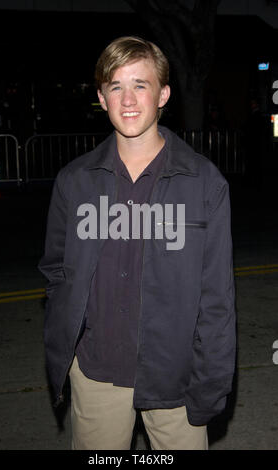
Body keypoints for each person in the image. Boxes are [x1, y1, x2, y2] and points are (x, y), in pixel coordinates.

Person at [39, 36, 236, 451]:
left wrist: (210, 382)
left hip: (174, 376)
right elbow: (55, 270)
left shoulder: (204, 184)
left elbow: (217, 296)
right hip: (95, 372)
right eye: (115, 86)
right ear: (101, 96)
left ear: (163, 94)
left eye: (140, 85)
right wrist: (70, 348)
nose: (128, 99)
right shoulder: (74, 182)